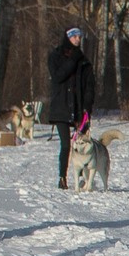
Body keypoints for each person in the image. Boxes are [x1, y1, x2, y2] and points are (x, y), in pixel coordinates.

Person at [46, 27, 95, 188]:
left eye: (79, 37)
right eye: (74, 37)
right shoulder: (55, 56)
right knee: (66, 144)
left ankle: (80, 177)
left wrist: (87, 108)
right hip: (61, 107)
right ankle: (62, 177)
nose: (77, 40)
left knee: (81, 143)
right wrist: (72, 60)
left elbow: (89, 86)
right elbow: (58, 76)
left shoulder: (84, 60)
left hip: (78, 108)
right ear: (68, 38)